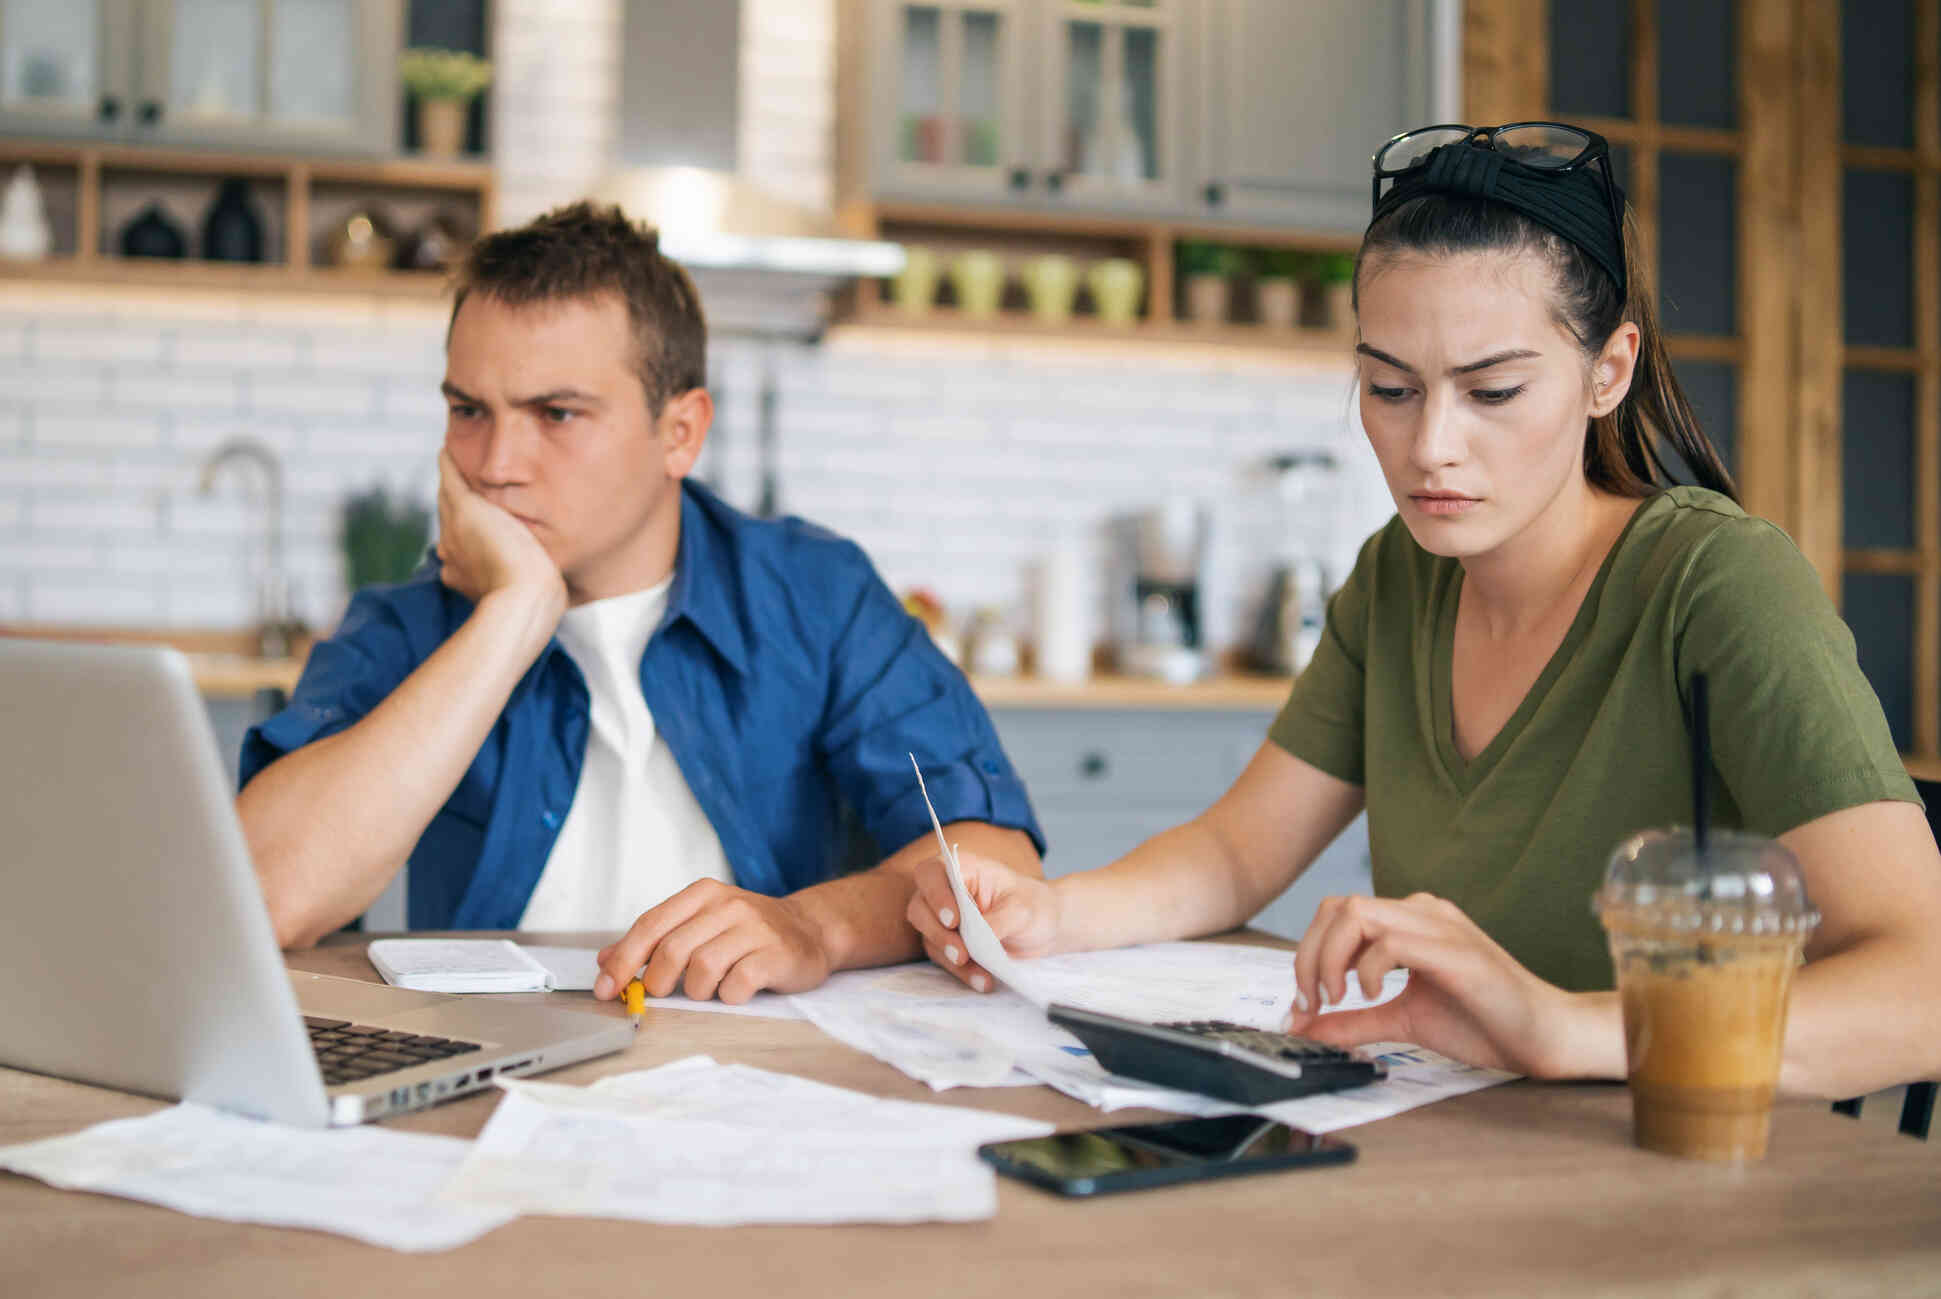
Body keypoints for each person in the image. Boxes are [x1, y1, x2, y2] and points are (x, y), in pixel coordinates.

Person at [908, 123, 1941, 1097]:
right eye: (1388, 389)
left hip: (1694, 1181)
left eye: (1490, 393)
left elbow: (1921, 988)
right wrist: (1048, 912)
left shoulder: (1714, 585)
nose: (1429, 446)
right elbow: (1231, 856)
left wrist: (1560, 1030)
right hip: (1472, 1150)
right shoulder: (1397, 579)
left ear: (1606, 372)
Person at [237, 202, 1043, 1004]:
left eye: (556, 414)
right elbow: (267, 893)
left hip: (765, 1064)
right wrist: (514, 612)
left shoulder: (813, 594)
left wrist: (814, 926)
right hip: (495, 1068)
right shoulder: (408, 623)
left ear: (680, 433)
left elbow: (998, 864)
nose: (495, 465)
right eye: (468, 411)